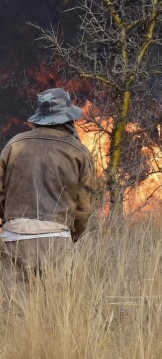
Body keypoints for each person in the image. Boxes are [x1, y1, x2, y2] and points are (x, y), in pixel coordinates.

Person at [0, 88, 94, 285]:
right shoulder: (78, 151)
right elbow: (83, 208)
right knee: (54, 308)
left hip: (14, 236)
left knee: (14, 308)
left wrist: (10, 219)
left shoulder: (15, 144)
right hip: (56, 238)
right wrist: (71, 235)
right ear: (68, 118)